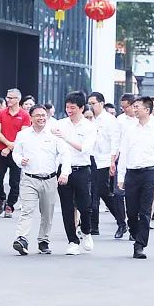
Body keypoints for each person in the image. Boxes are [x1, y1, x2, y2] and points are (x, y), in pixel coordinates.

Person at [117, 97, 154, 259]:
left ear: (147, 110)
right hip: (132, 173)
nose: (134, 110)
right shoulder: (129, 130)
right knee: (131, 211)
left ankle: (140, 245)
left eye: (137, 107)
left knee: (145, 210)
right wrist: (121, 176)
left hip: (150, 173)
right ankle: (134, 232)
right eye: (134, 107)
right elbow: (124, 153)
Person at [11, 105, 68, 255]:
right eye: (38, 115)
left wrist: (64, 173)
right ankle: (22, 238)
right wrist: (20, 160)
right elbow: (16, 153)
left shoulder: (53, 134)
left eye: (43, 115)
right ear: (31, 117)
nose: (41, 118)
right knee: (27, 210)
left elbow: (65, 154)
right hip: (29, 178)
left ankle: (43, 240)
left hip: (49, 179)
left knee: (47, 213)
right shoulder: (23, 135)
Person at [51, 91, 97, 255]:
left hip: (82, 169)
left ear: (81, 108)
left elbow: (84, 148)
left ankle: (86, 231)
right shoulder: (60, 124)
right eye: (67, 107)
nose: (69, 111)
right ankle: (72, 241)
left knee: (85, 206)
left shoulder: (89, 127)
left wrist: (65, 138)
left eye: (73, 108)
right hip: (63, 170)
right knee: (67, 207)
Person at [87, 91, 127, 238]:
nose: (91, 106)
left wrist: (112, 161)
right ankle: (94, 226)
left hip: (104, 161)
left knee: (102, 191)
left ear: (101, 104)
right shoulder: (90, 120)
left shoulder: (110, 120)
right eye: (89, 103)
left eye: (93, 103)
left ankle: (121, 221)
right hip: (92, 159)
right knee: (94, 193)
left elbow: (115, 141)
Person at [0, 88, 30, 218]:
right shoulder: (1, 113)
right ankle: (1, 198)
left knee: (15, 182)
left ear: (18, 99)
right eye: (7, 97)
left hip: (17, 152)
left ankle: (10, 206)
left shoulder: (25, 115)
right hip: (0, 151)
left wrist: (9, 148)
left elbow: (23, 135)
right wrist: (8, 144)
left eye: (11, 98)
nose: (8, 100)